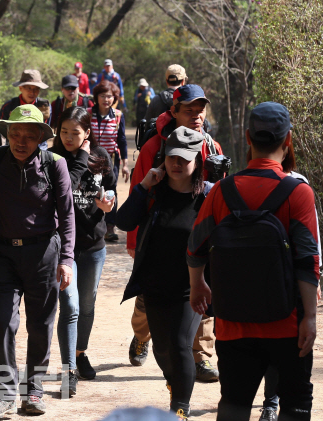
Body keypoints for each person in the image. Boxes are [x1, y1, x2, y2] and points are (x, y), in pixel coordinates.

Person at [188, 102, 319, 421]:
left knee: (233, 407)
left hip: (233, 327)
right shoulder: (298, 193)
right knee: (294, 407)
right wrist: (311, 318)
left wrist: (197, 286)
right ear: (288, 140)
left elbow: (195, 246)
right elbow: (307, 261)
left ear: (248, 137)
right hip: (286, 326)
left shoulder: (221, 191)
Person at [0, 104, 75, 417]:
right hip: (2, 251)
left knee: (41, 324)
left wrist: (67, 258)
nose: (20, 140)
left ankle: (34, 392)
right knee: (3, 321)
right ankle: (3, 396)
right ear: (7, 134)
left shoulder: (54, 164)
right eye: (14, 133)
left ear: (40, 137)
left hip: (43, 252)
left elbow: (67, 213)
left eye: (28, 136)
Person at [125, 85, 222, 382]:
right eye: (189, 110)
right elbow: (137, 192)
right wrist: (133, 241)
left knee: (202, 294)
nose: (196, 116)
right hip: (160, 237)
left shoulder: (212, 146)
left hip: (199, 237)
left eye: (200, 110)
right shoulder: (155, 147)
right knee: (149, 298)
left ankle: (202, 357)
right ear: (174, 112)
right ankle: (143, 335)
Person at [117, 126, 213, 420]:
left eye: (184, 158)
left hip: (190, 288)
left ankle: (180, 410)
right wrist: (143, 185)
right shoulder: (153, 193)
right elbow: (123, 221)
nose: (177, 164)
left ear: (197, 160)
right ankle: (175, 384)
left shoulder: (208, 196)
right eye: (172, 157)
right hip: (154, 285)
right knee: (162, 349)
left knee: (182, 344)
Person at [246, 142, 323, 421]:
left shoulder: (299, 186)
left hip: (288, 283)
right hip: (261, 281)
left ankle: (271, 401)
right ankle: (270, 402)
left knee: (283, 344)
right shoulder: (246, 184)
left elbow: (311, 245)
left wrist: (315, 282)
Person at [49, 106, 115, 397]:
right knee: (71, 307)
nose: (68, 137)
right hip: (63, 247)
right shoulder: (53, 158)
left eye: (74, 132)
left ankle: (79, 353)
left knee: (87, 306)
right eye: (63, 132)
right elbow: (61, 191)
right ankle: (68, 371)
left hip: (94, 245)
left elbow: (111, 191)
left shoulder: (102, 157)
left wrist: (108, 203)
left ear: (87, 132)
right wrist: (81, 159)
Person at [90, 80, 129, 242]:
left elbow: (122, 141)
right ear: (96, 97)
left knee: (111, 190)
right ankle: (91, 223)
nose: (106, 99)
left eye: (110, 97)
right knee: (91, 189)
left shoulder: (118, 116)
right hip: (90, 159)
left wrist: (125, 164)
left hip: (111, 159)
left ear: (115, 99)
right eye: (103, 96)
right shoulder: (87, 113)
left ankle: (110, 226)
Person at [0, 69, 52, 150]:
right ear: (20, 88)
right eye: (28, 88)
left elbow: (45, 130)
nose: (32, 92)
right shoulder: (9, 106)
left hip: (39, 145)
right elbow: (2, 130)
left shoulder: (44, 106)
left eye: (36, 88)